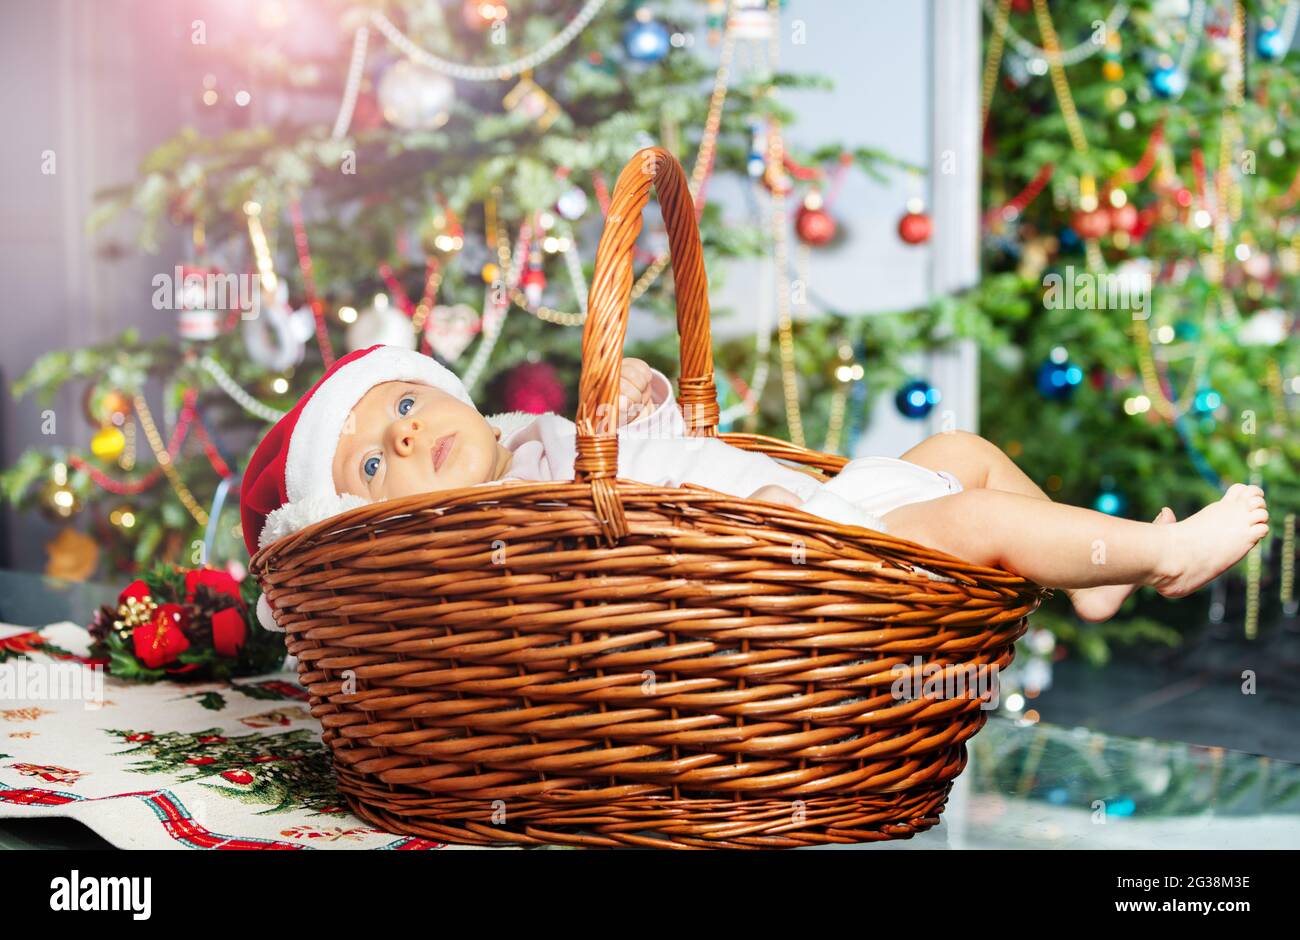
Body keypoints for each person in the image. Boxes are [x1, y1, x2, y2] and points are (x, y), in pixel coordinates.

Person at [241, 345, 1268, 629]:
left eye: (405, 402)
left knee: (962, 448)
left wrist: (639, 386)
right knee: (972, 519)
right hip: (790, 558)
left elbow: (661, 440)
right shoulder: (485, 523)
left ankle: (1092, 583)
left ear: (453, 393)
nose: (405, 432)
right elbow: (599, 547)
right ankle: (1158, 551)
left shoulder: (541, 434)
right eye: (370, 462)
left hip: (809, 501)